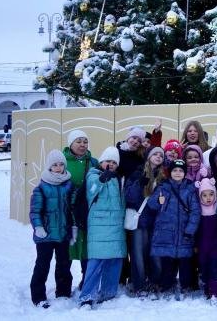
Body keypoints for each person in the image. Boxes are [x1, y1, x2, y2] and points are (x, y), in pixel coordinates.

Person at [79, 147, 126, 308]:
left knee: (114, 260)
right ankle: (87, 295)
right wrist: (101, 180)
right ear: (101, 162)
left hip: (116, 226)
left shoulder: (118, 178)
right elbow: (91, 190)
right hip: (99, 226)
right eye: (108, 161)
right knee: (96, 262)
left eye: (114, 162)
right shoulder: (94, 175)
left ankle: (108, 292)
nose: (111, 164)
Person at [147, 159, 200, 297]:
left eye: (181, 170)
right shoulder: (163, 187)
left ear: (185, 173)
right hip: (166, 233)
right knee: (167, 261)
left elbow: (195, 211)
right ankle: (166, 284)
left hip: (184, 232)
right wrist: (159, 201)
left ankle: (185, 285)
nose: (177, 173)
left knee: (185, 262)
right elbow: (152, 205)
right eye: (175, 170)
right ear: (170, 172)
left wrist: (190, 230)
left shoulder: (189, 189)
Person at [29, 149, 74, 308]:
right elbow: (35, 210)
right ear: (49, 167)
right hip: (45, 235)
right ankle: (38, 296)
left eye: (61, 164)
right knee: (42, 265)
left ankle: (63, 293)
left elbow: (72, 208)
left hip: (63, 234)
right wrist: (38, 226)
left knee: (64, 265)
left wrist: (73, 227)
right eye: (55, 164)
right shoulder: (41, 187)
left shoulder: (69, 184)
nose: (58, 167)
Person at [124, 146, 165, 296]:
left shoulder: (163, 177)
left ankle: (154, 283)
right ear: (148, 157)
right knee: (138, 256)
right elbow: (129, 197)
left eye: (161, 155)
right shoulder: (137, 173)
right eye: (155, 154)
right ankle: (139, 286)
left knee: (155, 256)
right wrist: (139, 184)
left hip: (156, 222)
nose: (159, 157)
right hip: (139, 221)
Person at [63, 129, 98, 288]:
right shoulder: (62, 161)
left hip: (86, 212)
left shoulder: (93, 162)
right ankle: (63, 285)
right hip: (66, 211)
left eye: (85, 141)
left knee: (86, 248)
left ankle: (86, 281)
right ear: (71, 143)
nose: (82, 145)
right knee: (67, 249)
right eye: (79, 141)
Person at [195, 178, 217, 304]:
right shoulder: (198, 209)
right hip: (202, 246)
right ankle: (207, 288)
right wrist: (195, 244)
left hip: (216, 245)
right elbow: (195, 229)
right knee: (204, 267)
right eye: (204, 195)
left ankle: (215, 292)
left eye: (211, 194)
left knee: (215, 267)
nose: (208, 198)